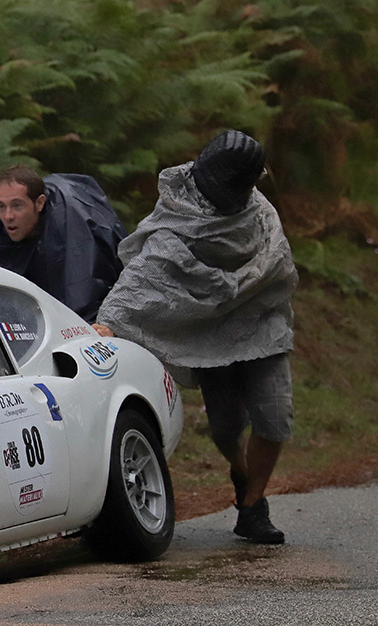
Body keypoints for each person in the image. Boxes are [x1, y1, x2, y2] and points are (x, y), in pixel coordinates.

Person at [92, 130, 297, 544]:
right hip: (208, 331)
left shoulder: (261, 214)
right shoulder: (179, 208)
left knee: (275, 418)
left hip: (262, 321)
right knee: (225, 429)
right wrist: (109, 321)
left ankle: (253, 507)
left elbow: (275, 261)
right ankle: (241, 475)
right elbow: (147, 270)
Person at [0, 165, 127, 323]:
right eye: (1, 206)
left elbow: (84, 290)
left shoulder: (69, 228)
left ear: (39, 203)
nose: (8, 216)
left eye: (17, 205)